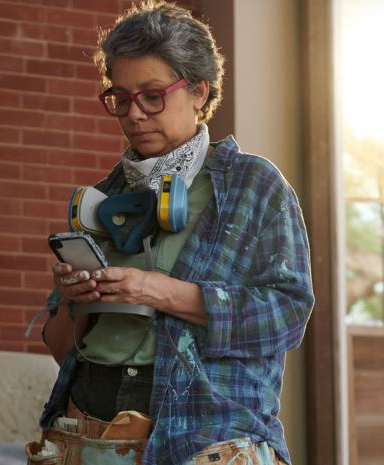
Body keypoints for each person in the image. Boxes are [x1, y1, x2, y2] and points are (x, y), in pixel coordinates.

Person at [35, 2, 314, 464]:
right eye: (120, 98)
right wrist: (75, 299)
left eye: (152, 95)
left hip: (207, 442)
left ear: (200, 91)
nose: (134, 114)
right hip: (89, 440)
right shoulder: (103, 198)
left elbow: (287, 315)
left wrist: (163, 292)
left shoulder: (252, 186)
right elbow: (61, 347)